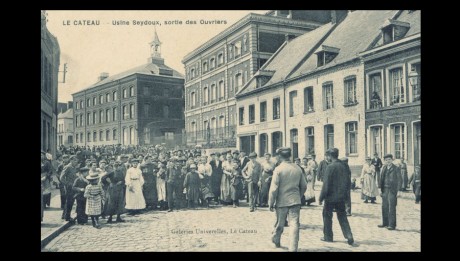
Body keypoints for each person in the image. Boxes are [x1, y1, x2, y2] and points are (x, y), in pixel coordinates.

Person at [268, 147, 307, 252]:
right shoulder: (298, 168)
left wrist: (270, 203)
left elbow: (274, 189)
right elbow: (304, 186)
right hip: (295, 201)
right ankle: (293, 248)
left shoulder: (278, 169)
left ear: (280, 156)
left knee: (280, 223)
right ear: (290, 156)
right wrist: (298, 196)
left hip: (281, 202)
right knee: (294, 224)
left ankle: (276, 240)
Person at [319, 148, 354, 245]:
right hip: (341, 197)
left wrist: (321, 197)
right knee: (342, 216)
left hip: (330, 197)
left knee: (327, 216)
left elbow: (326, 185)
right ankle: (349, 235)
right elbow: (348, 182)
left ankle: (328, 236)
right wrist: (346, 195)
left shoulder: (330, 167)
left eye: (327, 156)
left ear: (330, 156)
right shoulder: (344, 166)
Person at [378, 154, 402, 230]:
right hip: (385, 189)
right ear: (384, 161)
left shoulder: (396, 168)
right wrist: (380, 189)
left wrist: (399, 191)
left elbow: (399, 180)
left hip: (392, 190)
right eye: (386, 160)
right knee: (384, 206)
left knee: (392, 207)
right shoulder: (384, 168)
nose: (388, 161)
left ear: (392, 160)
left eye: (389, 159)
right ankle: (385, 223)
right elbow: (381, 179)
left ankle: (392, 225)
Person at [60, 155, 80, 221]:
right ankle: (67, 217)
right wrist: (68, 184)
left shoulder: (74, 167)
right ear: (71, 160)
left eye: (77, 160)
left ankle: (64, 215)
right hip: (69, 187)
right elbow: (61, 178)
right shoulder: (67, 167)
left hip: (73, 187)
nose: (76, 162)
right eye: (74, 160)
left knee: (69, 202)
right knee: (69, 202)